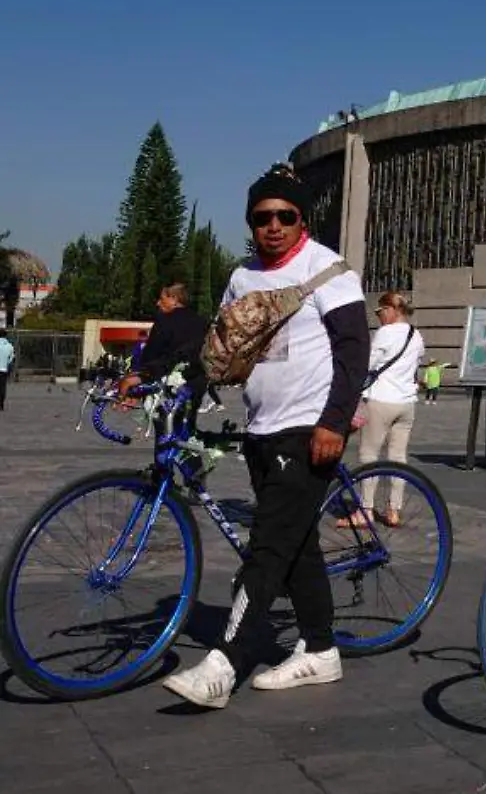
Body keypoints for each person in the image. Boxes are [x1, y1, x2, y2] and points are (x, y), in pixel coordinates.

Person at [162, 166, 369, 709]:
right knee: (295, 544)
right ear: (251, 222)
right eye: (262, 217)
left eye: (285, 216)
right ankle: (321, 649)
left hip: (308, 429)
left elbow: (353, 351)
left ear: (302, 219)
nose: (273, 226)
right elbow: (222, 347)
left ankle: (223, 663)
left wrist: (334, 420)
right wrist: (175, 384)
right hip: (260, 428)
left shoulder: (328, 270)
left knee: (269, 547)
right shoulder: (242, 277)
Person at [347, 291, 425, 529]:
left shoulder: (385, 333)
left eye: (380, 311)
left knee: (369, 455)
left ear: (392, 310)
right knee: (398, 457)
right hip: (406, 403)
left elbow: (367, 365)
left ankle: (365, 511)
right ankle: (394, 510)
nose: (379, 316)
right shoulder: (416, 335)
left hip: (381, 400)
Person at [118, 283, 211, 419]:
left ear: (174, 299)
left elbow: (150, 355)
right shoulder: (203, 322)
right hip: (196, 384)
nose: (158, 303)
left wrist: (137, 378)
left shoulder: (164, 321)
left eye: (162, 299)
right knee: (186, 425)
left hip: (166, 385)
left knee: (164, 428)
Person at [0, 329, 12, 411]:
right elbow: (10, 360)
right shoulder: (10, 346)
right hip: (4, 369)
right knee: (2, 387)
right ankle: (1, 403)